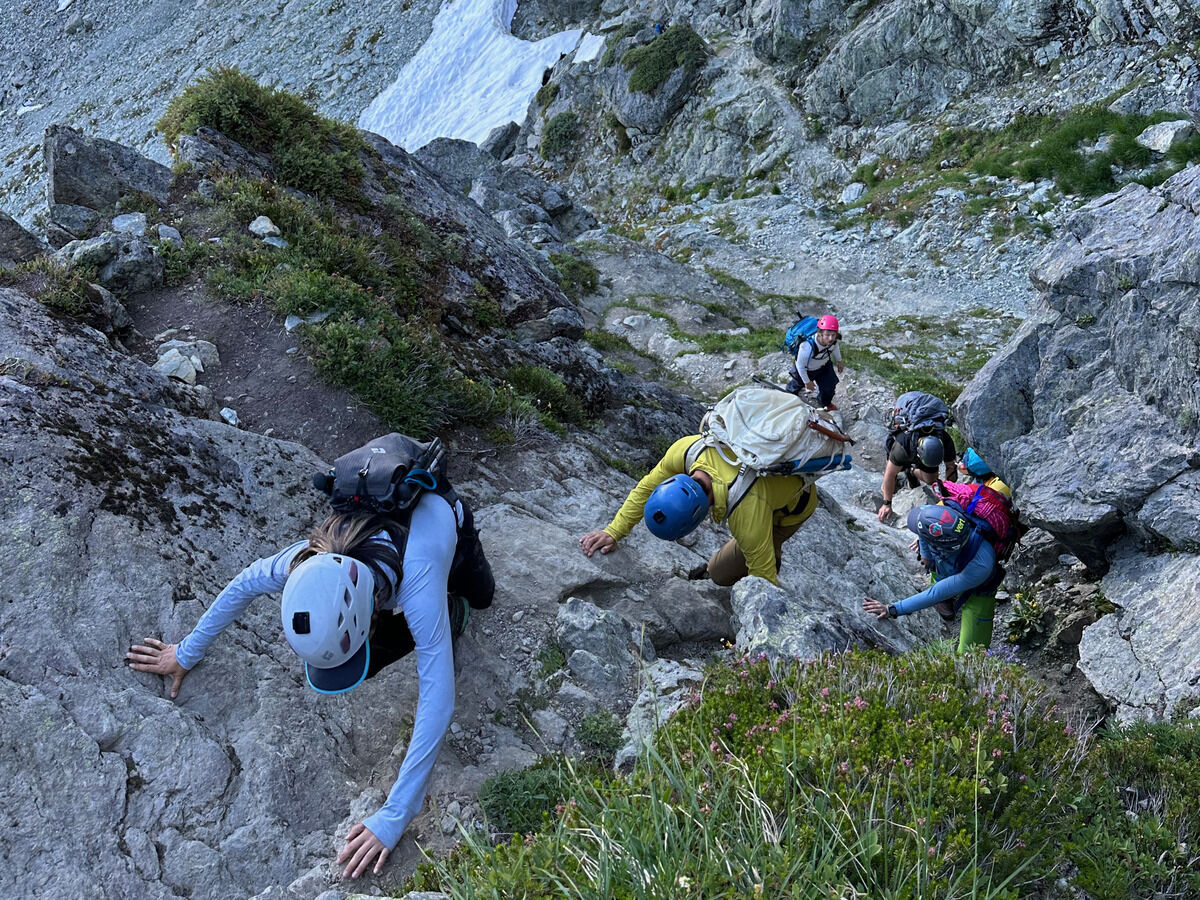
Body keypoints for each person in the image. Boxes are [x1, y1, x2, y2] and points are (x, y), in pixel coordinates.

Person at [125, 492, 494, 879]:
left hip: (442, 519)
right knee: (364, 659)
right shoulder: (308, 565)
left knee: (481, 596)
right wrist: (185, 653)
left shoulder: (418, 584)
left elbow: (438, 700)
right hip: (386, 573)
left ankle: (455, 611)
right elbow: (244, 583)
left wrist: (395, 814)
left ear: (370, 619)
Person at [578, 435, 818, 586]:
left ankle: (767, 551)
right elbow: (644, 490)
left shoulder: (747, 514)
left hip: (792, 509)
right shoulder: (686, 451)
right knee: (722, 568)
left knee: (728, 572)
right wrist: (613, 531)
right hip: (758, 493)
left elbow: (764, 581)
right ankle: (724, 564)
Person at [863, 504, 1003, 652]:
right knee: (935, 563)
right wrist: (926, 555)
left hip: (980, 590)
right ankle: (948, 600)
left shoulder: (981, 565)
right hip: (954, 562)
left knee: (970, 654)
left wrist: (892, 609)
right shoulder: (937, 516)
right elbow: (923, 533)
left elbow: (935, 593)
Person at [876, 394, 957, 522]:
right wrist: (887, 504)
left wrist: (951, 496)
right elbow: (889, 474)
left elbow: (951, 467)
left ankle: (911, 471)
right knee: (894, 470)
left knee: (931, 480)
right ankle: (903, 473)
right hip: (906, 444)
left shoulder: (945, 439)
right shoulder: (902, 445)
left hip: (922, 449)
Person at [786, 314, 844, 409]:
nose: (830, 338)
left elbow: (835, 348)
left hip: (824, 366)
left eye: (833, 335)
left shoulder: (833, 341)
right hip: (807, 369)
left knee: (829, 386)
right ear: (820, 333)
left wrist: (839, 361)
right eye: (827, 335)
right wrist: (807, 382)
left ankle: (824, 402)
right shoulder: (807, 346)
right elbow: (800, 366)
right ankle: (789, 395)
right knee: (797, 384)